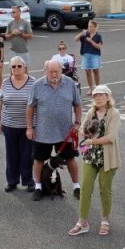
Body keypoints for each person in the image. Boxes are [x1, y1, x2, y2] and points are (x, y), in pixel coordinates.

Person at [27, 60, 83, 200]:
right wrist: (29, 127)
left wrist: (77, 122)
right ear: (45, 71)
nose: (54, 74)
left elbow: (77, 104)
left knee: (70, 159)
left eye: (57, 71)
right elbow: (30, 108)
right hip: (42, 133)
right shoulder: (37, 85)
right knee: (39, 160)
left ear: (61, 70)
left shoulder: (70, 83)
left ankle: (76, 186)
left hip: (65, 132)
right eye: (51, 71)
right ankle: (38, 187)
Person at [69, 85, 120, 236]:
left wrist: (90, 141)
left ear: (108, 97)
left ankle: (105, 220)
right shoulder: (91, 112)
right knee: (85, 188)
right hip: (90, 157)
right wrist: (84, 132)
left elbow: (111, 137)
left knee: (105, 189)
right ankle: (82, 222)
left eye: (101, 95)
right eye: (95, 96)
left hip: (107, 157)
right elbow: (82, 129)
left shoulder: (114, 113)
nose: (97, 98)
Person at [0, 55, 36, 192]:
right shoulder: (6, 82)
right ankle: (12, 181)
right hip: (9, 125)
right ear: (10, 68)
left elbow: (38, 105)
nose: (17, 68)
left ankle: (28, 180)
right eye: (13, 66)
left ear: (25, 67)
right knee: (11, 155)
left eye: (19, 66)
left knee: (27, 155)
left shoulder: (33, 83)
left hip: (27, 126)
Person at [75, 20, 103, 94]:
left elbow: (99, 47)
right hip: (85, 55)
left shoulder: (98, 36)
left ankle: (98, 88)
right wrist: (81, 34)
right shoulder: (85, 34)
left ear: (95, 27)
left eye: (91, 26)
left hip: (95, 55)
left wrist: (91, 41)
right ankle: (91, 89)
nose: (89, 28)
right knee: (87, 72)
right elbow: (76, 39)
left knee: (96, 71)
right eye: (88, 26)